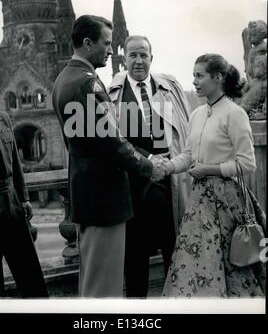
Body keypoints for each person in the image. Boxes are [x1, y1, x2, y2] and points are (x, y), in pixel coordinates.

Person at [52, 15, 166, 297]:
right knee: (105, 285)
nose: (109, 49)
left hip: (89, 194)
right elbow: (111, 141)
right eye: (105, 43)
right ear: (88, 43)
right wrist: (147, 164)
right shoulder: (87, 84)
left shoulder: (64, 79)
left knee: (93, 280)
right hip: (104, 199)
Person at [162, 53, 266, 297]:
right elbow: (188, 155)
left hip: (228, 201)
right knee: (197, 263)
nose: (195, 81)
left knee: (231, 264)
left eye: (200, 76)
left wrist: (209, 169)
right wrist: (166, 167)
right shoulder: (197, 114)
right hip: (200, 203)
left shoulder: (234, 113)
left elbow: (247, 163)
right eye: (194, 76)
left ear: (218, 77)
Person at [108, 35, 191, 297]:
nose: (139, 60)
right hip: (134, 187)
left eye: (144, 54)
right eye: (133, 55)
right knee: (134, 259)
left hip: (170, 183)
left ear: (151, 58)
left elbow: (186, 131)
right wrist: (144, 161)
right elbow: (111, 142)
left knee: (175, 251)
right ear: (124, 59)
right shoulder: (112, 95)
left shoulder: (170, 88)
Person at [0, 60, 48, 298]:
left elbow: (14, 163)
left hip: (13, 206)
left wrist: (24, 198)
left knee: (32, 277)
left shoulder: (2, 117)